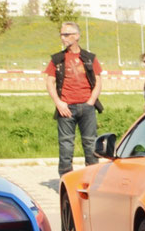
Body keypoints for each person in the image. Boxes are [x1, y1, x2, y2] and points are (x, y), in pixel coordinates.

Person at [44, 22, 104, 176]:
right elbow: (49, 82)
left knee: (90, 144)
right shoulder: (57, 59)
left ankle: (91, 178)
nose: (63, 38)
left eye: (66, 34)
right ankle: (65, 180)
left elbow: (98, 82)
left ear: (76, 36)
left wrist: (90, 102)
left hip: (87, 107)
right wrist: (59, 103)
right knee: (66, 146)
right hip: (66, 109)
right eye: (61, 34)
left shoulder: (89, 58)